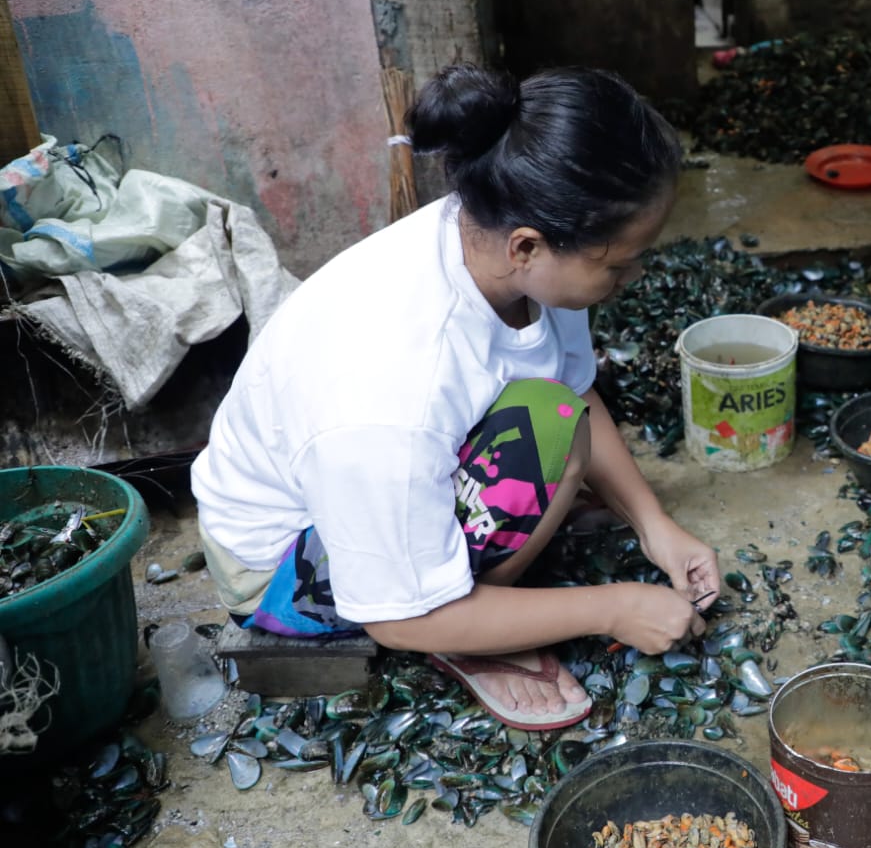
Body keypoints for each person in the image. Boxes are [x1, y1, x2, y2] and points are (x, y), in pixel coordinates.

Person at [190, 65, 719, 731]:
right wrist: (615, 607)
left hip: (370, 486)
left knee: (558, 422)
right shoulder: (393, 389)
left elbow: (574, 392)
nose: (631, 276)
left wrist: (653, 525)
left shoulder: (504, 243)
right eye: (617, 263)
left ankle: (477, 584)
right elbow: (395, 616)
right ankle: (468, 634)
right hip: (280, 572)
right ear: (528, 246)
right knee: (550, 440)